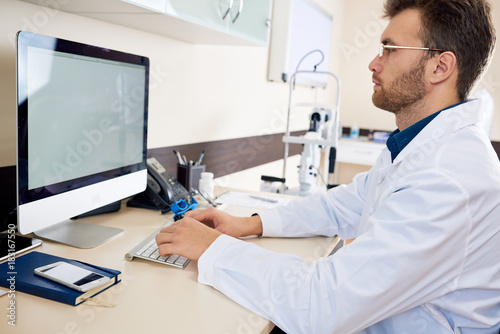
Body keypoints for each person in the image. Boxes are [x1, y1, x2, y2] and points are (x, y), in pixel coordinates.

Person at [156, 0, 500, 332]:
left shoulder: (448, 178)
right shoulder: (419, 143)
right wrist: (247, 224)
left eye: (389, 49)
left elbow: (323, 305)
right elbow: (343, 204)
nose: (373, 64)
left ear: (440, 67)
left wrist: (212, 248)